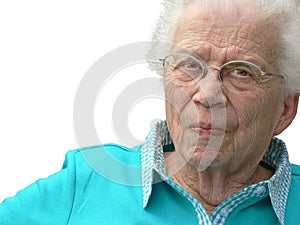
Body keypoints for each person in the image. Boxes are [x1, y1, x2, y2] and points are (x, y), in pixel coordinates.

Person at [1, 0, 300, 224]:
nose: (207, 95)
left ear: (285, 109)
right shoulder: (86, 182)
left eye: (241, 72)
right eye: (189, 65)